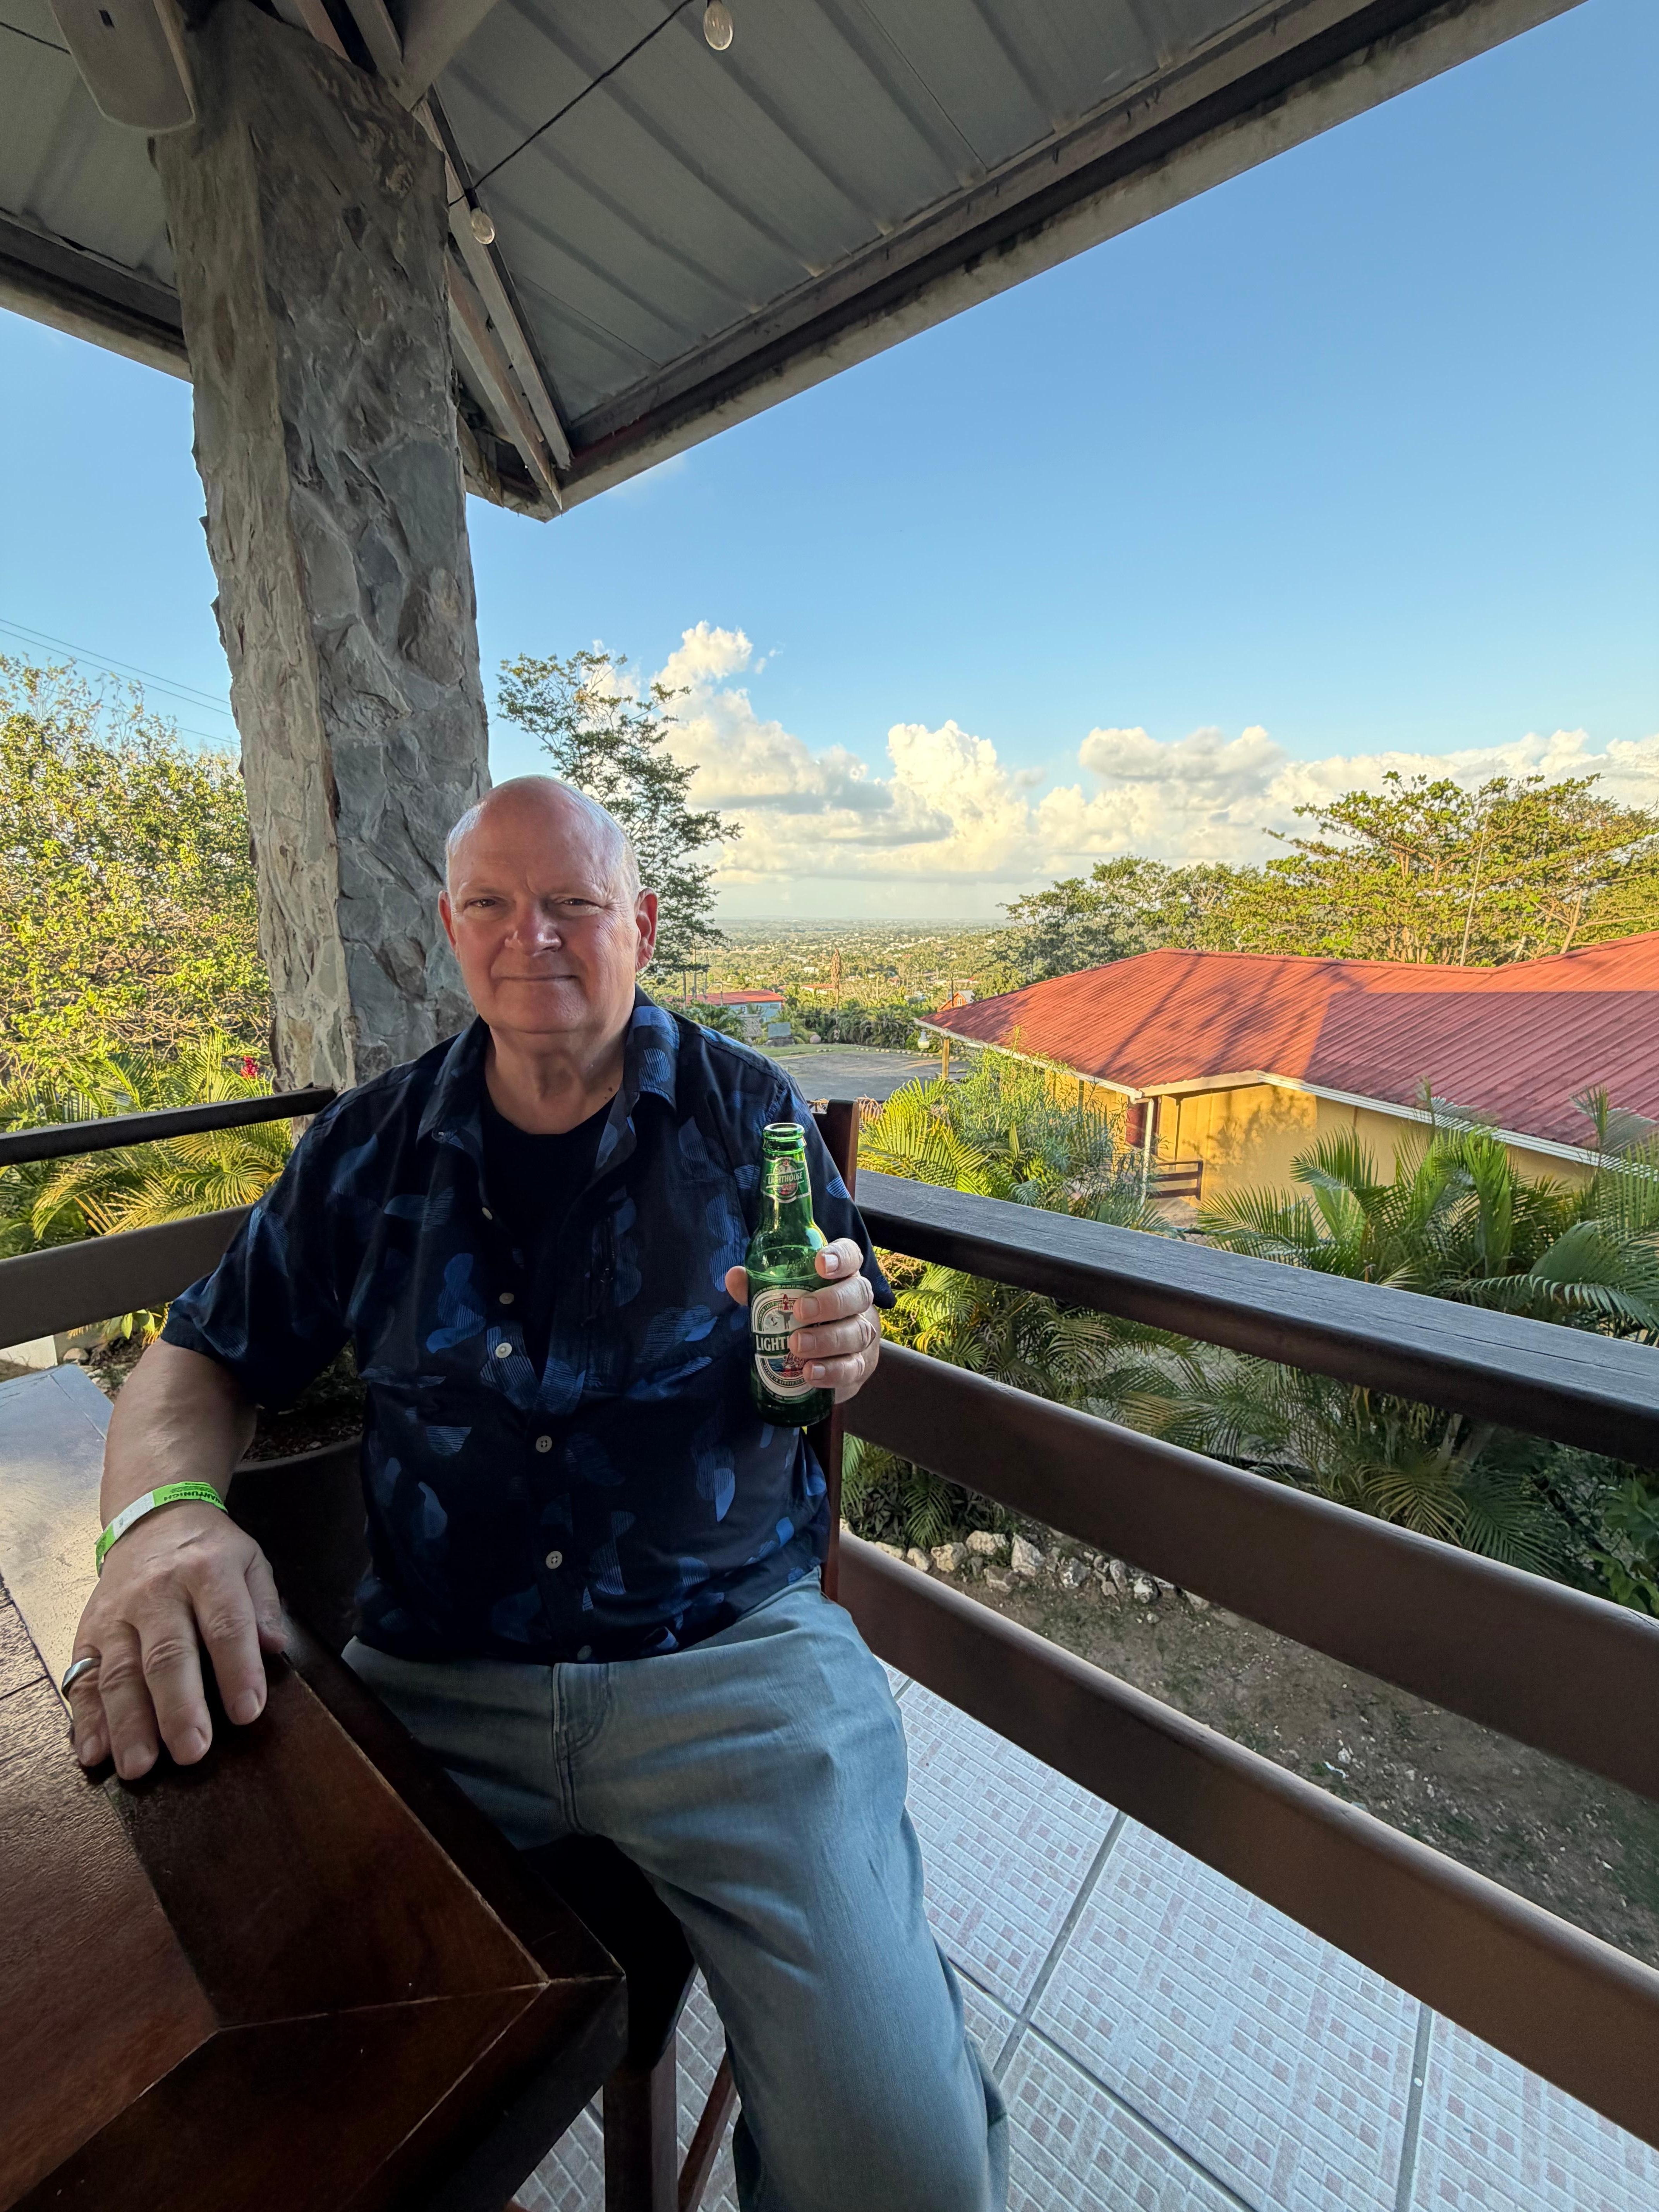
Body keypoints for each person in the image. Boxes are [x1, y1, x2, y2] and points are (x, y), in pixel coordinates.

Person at [64, 776, 1007, 2212]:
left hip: (733, 1670)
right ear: (450, 929)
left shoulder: (743, 1112)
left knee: (904, 2172)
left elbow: (835, 1309)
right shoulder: (371, 1148)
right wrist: (162, 1524)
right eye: (495, 904)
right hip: (432, 1686)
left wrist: (848, 1340)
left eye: (574, 902)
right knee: (246, 2067)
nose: (535, 936)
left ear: (638, 922)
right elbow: (199, 1356)